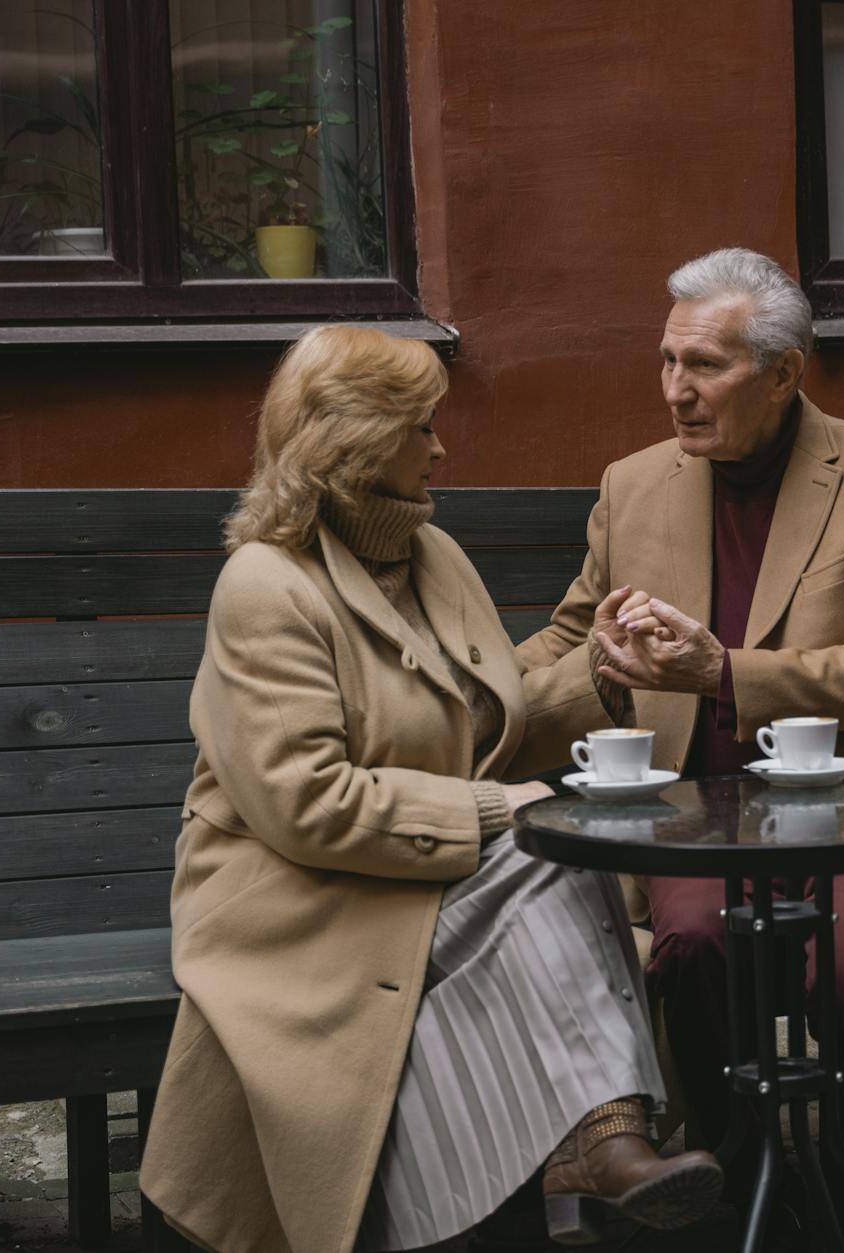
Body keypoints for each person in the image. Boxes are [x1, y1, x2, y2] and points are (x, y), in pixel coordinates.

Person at [137, 326, 721, 1253]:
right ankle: (597, 1148)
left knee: (559, 854)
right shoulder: (266, 586)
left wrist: (598, 673)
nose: (442, 448)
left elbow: (490, 725)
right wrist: (496, 809)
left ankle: (598, 1149)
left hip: (426, 870)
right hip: (302, 895)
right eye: (422, 427)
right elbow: (308, 805)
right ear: (358, 440)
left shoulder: (433, 552)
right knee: (554, 853)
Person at [515, 249, 844, 1250]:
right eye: (666, 360)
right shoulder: (634, 483)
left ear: (783, 373)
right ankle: (732, 1169)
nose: (675, 390)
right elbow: (566, 637)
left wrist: (726, 672)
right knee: (691, 944)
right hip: (688, 817)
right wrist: (497, 694)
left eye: (704, 364)